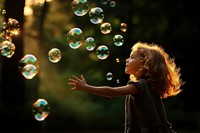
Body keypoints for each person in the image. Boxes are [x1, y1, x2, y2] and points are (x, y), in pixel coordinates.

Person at [68, 41, 184, 133]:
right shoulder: (148, 85)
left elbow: (111, 92)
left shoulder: (140, 86)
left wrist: (86, 87)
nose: (127, 60)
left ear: (145, 63)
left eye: (132, 57)